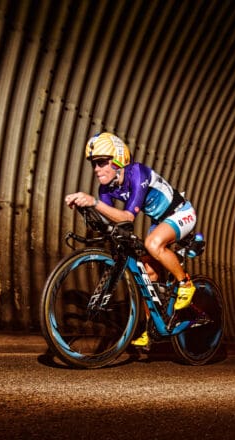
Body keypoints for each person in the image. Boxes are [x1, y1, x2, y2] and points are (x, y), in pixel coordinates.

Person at [64, 132, 197, 348]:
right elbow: (114, 220)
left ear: (118, 160)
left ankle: (186, 283)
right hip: (159, 221)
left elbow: (127, 217)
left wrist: (94, 202)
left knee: (152, 244)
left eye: (101, 163)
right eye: (94, 165)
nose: (96, 169)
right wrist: (86, 208)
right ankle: (151, 327)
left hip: (181, 213)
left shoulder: (138, 173)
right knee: (146, 272)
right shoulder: (105, 188)